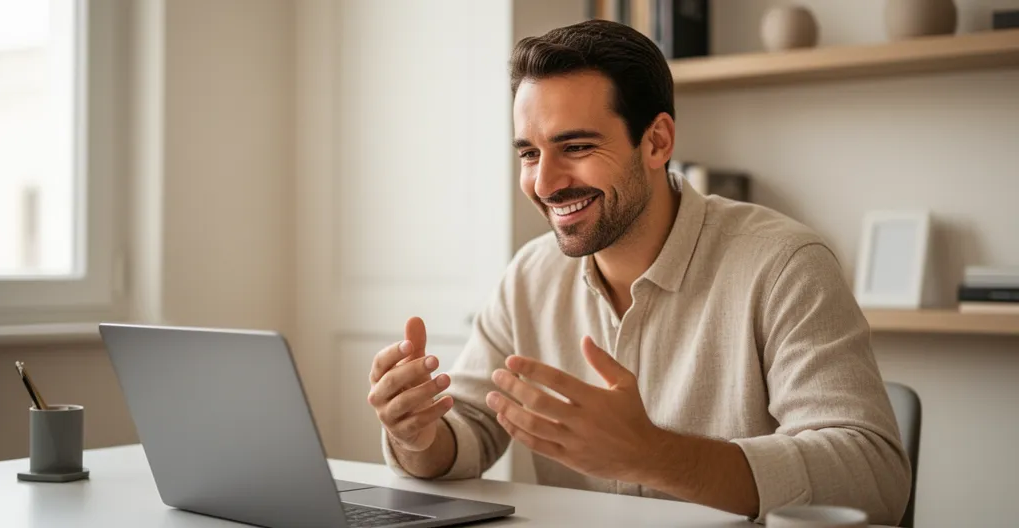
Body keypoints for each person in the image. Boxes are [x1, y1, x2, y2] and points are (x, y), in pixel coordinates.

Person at [365, 19, 910, 525]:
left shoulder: (784, 264)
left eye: (575, 146)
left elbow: (875, 478)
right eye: (529, 153)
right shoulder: (529, 275)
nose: (546, 183)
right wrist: (419, 434)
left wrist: (655, 455)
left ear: (657, 141)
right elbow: (471, 430)